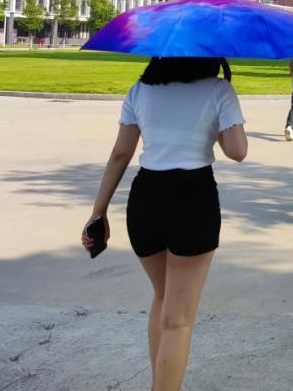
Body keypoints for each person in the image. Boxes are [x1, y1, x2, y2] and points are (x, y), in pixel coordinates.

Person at [81, 57, 247, 391]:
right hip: (193, 198)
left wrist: (98, 212)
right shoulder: (219, 90)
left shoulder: (140, 89)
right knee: (178, 320)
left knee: (162, 297)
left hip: (146, 199)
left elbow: (120, 154)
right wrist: (215, 126)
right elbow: (237, 151)